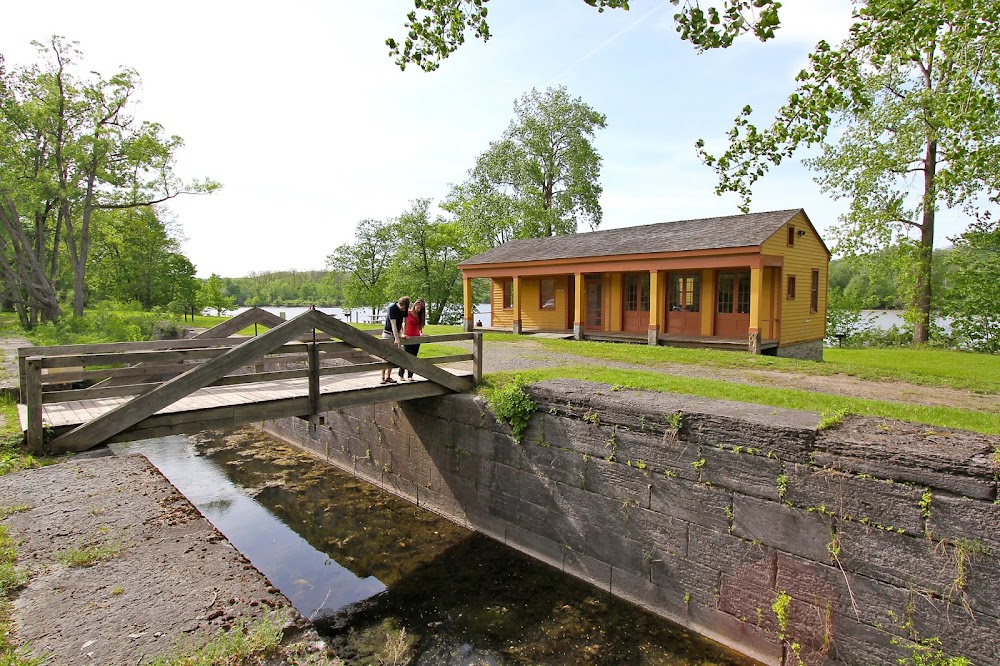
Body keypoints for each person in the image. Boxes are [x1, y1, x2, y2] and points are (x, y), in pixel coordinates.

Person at [381, 296, 409, 384]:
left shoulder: (405, 309)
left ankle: (388, 377)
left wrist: (403, 333)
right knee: (386, 356)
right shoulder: (391, 309)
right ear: (399, 304)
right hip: (388, 333)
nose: (403, 309)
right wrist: (396, 338)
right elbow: (393, 324)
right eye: (402, 307)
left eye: (404, 308)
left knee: (393, 356)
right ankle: (382, 377)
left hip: (397, 333)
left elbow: (404, 322)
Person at [399, 299, 426, 381]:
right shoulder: (408, 313)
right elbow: (403, 324)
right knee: (406, 356)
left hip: (416, 338)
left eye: (421, 308)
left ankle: (410, 375)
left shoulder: (420, 315)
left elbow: (420, 326)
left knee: (414, 357)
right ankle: (401, 375)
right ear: (415, 305)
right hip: (408, 337)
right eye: (418, 307)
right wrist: (403, 334)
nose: (419, 309)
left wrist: (421, 333)